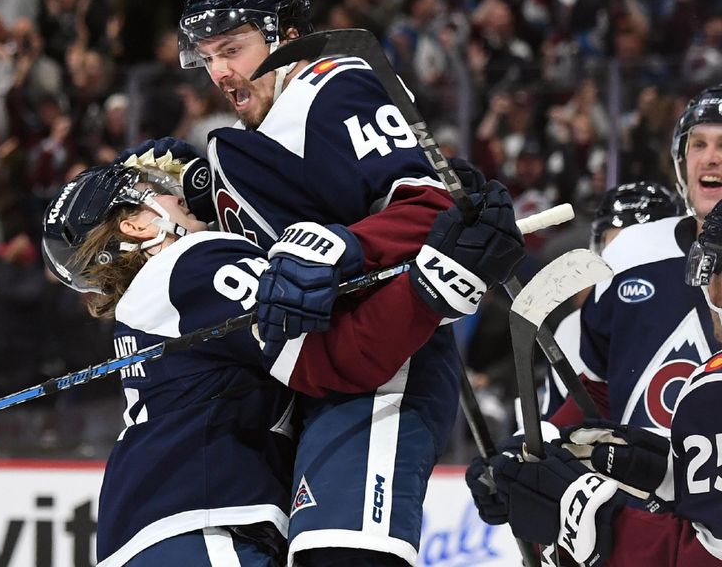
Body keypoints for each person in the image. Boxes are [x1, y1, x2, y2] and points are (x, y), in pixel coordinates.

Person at [146, 0, 527, 565]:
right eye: (209, 57)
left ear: (290, 35)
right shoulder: (264, 127)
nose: (220, 73)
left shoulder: (332, 85)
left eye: (233, 50)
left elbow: (430, 207)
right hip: (326, 370)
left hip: (386, 369)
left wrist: (344, 245)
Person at [41, 162, 521, 567]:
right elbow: (334, 355)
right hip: (197, 526)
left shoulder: (153, 302)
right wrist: (436, 285)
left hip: (150, 534)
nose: (174, 192)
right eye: (154, 191)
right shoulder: (188, 264)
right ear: (136, 224)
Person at [466, 198, 722, 567]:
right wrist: (661, 467)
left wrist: (597, 525)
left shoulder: (711, 387)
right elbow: (597, 389)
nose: (708, 291)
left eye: (712, 272)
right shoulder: (629, 272)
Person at [546, 86, 722, 434]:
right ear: (682, 161)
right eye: (698, 145)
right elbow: (598, 388)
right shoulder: (633, 252)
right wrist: (543, 443)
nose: (711, 158)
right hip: (642, 485)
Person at [541, 181, 683, 419]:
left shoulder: (703, 314)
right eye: (614, 248)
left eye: (637, 251)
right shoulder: (571, 329)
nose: (622, 264)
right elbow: (555, 426)